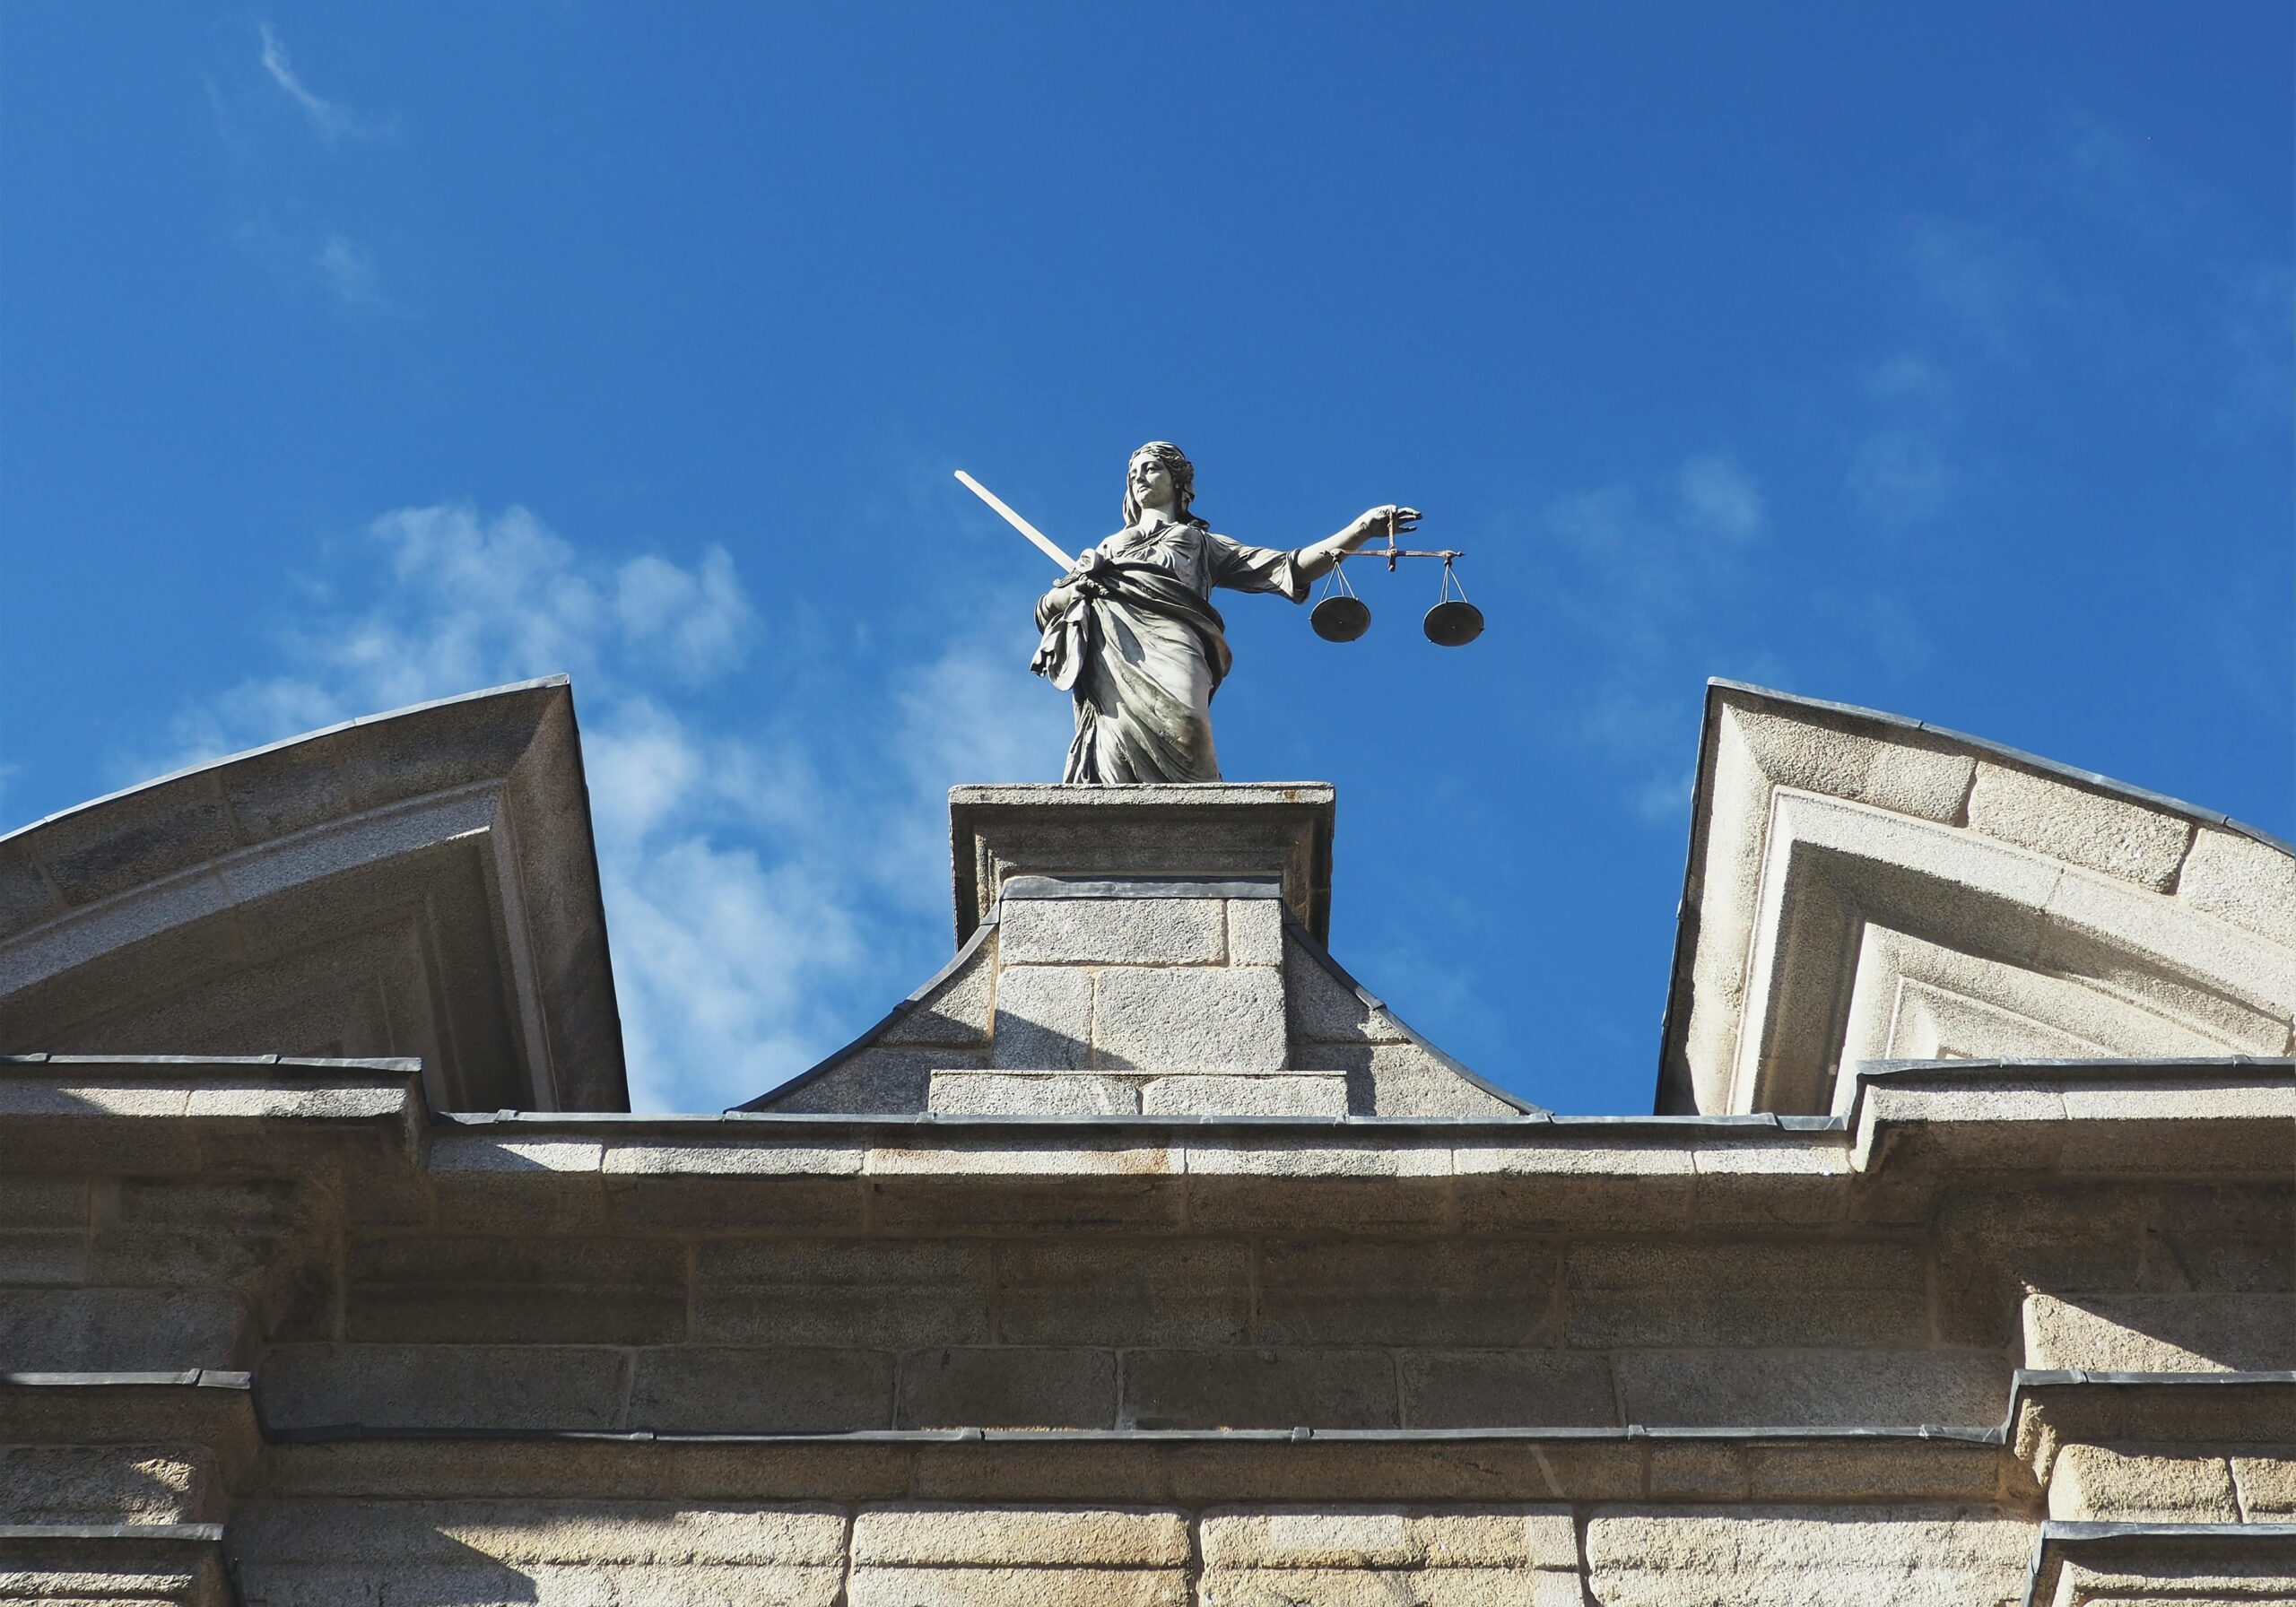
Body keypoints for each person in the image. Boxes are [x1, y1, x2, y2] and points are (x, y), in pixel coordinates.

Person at [1031, 441, 1418, 783]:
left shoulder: (1201, 542)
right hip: (1111, 645)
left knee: (1189, 726)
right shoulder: (1107, 546)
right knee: (1114, 741)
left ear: (1178, 481)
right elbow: (1048, 607)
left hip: (1174, 637)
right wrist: (1070, 593)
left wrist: (1362, 528)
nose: (1139, 477)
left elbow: (1291, 566)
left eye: (1151, 468)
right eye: (1133, 473)